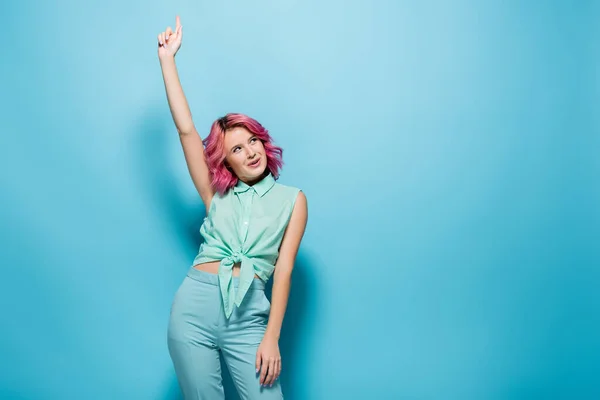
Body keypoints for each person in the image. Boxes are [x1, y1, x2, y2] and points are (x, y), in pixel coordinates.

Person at [156, 16, 308, 400]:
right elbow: (187, 130)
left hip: (248, 317)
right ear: (227, 163)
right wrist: (167, 60)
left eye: (252, 140)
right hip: (194, 307)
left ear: (263, 142)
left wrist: (271, 337)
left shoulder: (293, 200)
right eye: (236, 149)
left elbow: (284, 270)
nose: (250, 151)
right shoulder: (215, 194)